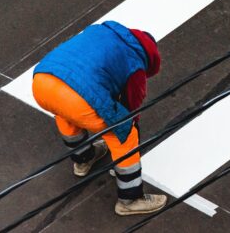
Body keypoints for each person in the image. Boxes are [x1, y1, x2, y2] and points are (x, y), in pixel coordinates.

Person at [32, 22, 165, 216]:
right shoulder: (135, 62)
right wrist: (128, 125)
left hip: (43, 81)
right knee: (124, 134)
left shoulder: (102, 31)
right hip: (77, 96)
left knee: (65, 113)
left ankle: (83, 159)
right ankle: (130, 199)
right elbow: (131, 106)